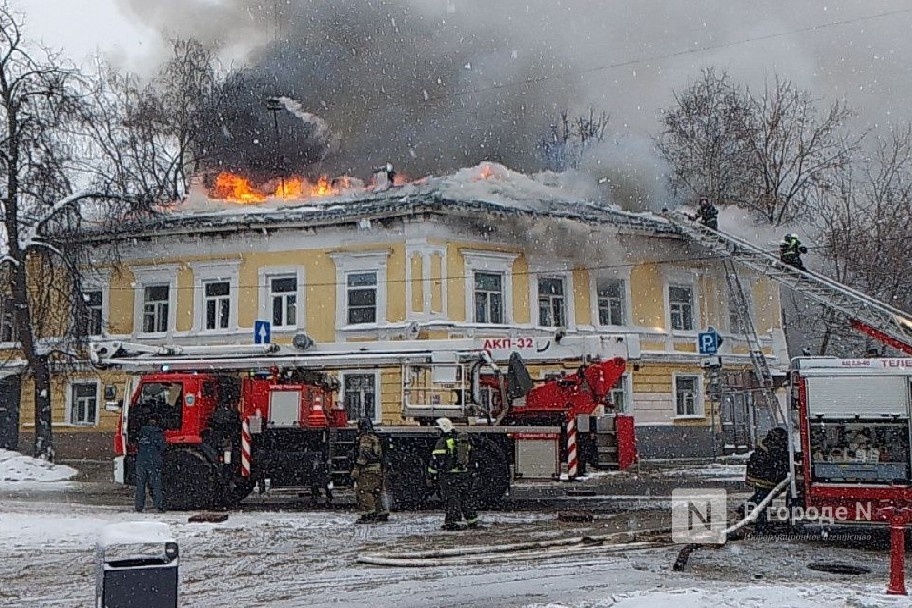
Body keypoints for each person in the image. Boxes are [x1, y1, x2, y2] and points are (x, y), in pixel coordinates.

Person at [427, 417, 478, 531]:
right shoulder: (461, 440)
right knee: (465, 497)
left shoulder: (442, 442)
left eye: (439, 429)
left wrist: (431, 476)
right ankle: (472, 519)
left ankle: (453, 522)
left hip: (449, 475)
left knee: (451, 498)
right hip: (464, 474)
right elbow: (471, 457)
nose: (438, 432)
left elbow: (435, 460)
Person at [743, 427, 790, 531]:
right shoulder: (774, 449)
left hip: (761, 477)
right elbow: (780, 460)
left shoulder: (767, 446)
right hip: (764, 478)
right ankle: (761, 526)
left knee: (762, 498)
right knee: (764, 500)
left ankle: (746, 510)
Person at [352, 417, 388, 524]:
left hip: (367, 470)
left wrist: (356, 468)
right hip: (377, 469)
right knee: (377, 491)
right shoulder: (375, 437)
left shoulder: (365, 439)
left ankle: (369, 514)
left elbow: (364, 455)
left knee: (364, 491)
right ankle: (382, 512)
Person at [134, 414, 166, 513]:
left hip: (141, 461)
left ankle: (139, 506)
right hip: (153, 461)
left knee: (140, 485)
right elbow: (162, 447)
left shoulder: (141, 433)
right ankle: (159, 505)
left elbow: (137, 446)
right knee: (156, 484)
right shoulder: (157, 433)